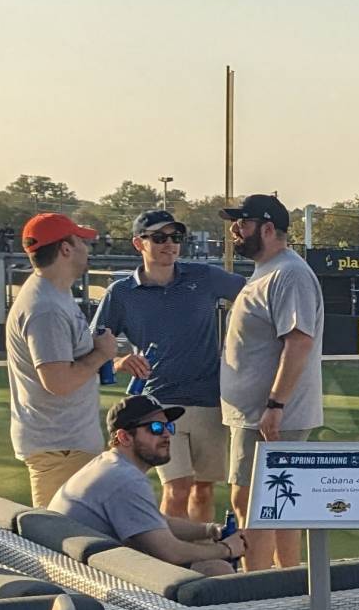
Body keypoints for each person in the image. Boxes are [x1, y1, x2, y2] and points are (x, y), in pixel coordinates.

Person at [94, 209, 248, 527]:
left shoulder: (203, 277)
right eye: (159, 238)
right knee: (176, 487)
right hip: (159, 406)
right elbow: (89, 350)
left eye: (176, 237)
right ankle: (171, 562)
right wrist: (120, 362)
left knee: (203, 490)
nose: (170, 245)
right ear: (139, 243)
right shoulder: (121, 293)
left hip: (211, 401)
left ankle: (202, 557)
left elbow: (257, 294)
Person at [218, 193, 325, 571]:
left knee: (253, 505)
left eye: (242, 223)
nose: (234, 229)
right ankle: (289, 585)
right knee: (278, 506)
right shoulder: (270, 270)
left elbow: (298, 342)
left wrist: (275, 406)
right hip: (261, 415)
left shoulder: (288, 273)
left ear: (267, 228)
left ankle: (257, 594)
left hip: (269, 419)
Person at [51, 397, 245, 574]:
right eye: (156, 428)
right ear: (125, 437)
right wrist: (226, 549)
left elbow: (154, 522)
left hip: (76, 569)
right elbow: (170, 552)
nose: (167, 435)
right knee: (216, 569)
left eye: (169, 427)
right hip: (85, 579)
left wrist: (210, 530)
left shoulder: (109, 464)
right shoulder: (125, 479)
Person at [6, 211, 115, 507]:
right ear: (65, 249)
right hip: (60, 446)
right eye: (81, 241)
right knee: (62, 542)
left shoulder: (53, 295)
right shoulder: (46, 307)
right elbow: (59, 381)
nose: (87, 248)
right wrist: (102, 354)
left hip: (66, 444)